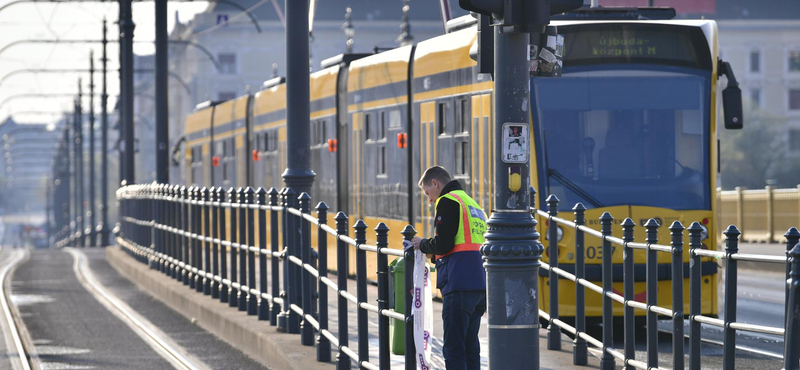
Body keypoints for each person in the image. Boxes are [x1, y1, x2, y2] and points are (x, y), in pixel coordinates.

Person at [411, 166, 487, 370]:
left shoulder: (447, 201)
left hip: (458, 283)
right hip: (479, 285)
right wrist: (435, 254)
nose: (429, 200)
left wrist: (423, 244)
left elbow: (444, 243)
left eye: (428, 193)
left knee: (453, 348)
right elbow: (464, 243)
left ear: (435, 184)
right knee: (471, 347)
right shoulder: (473, 205)